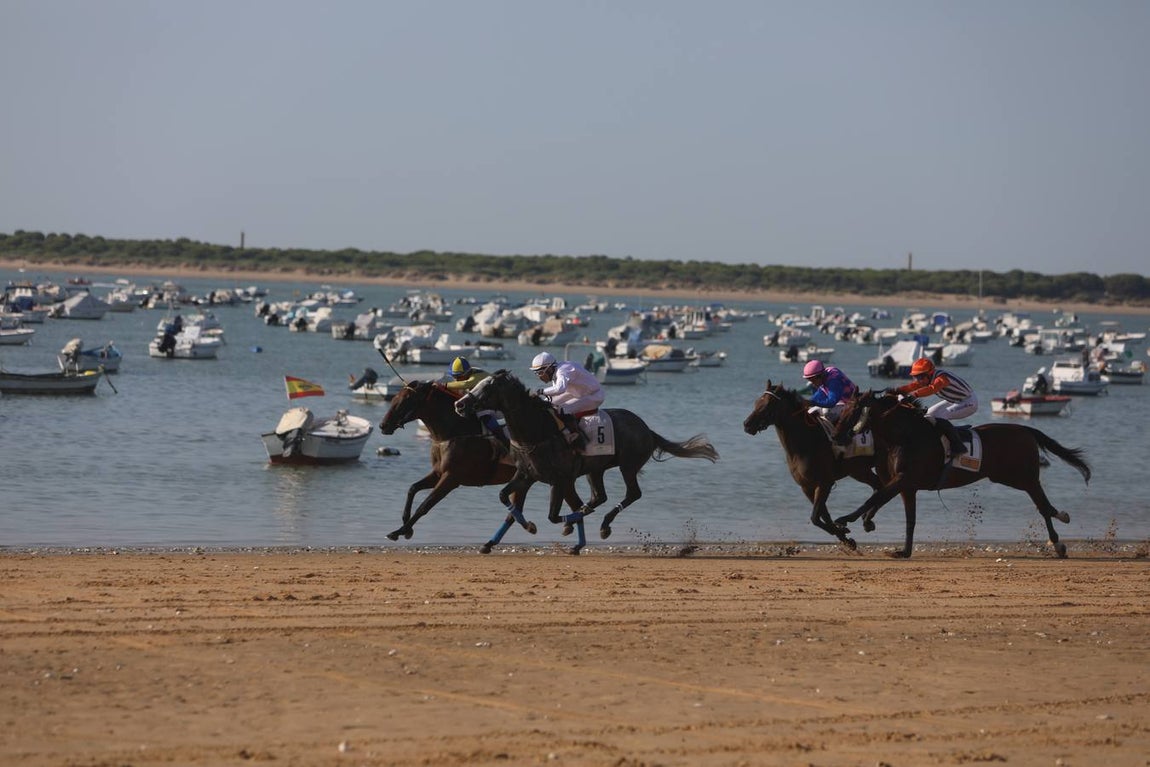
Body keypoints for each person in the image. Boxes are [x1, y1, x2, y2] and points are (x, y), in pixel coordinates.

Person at [892, 357, 977, 455]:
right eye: (916, 377)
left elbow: (932, 389)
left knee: (941, 417)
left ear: (930, 374)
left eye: (920, 377)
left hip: (968, 402)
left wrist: (912, 395)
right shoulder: (927, 378)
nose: (918, 380)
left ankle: (958, 446)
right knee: (929, 415)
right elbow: (912, 386)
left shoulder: (942, 378)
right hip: (953, 400)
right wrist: (894, 392)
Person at [530, 351, 605, 444]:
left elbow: (559, 389)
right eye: (536, 373)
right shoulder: (556, 371)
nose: (539, 376)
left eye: (540, 372)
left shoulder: (563, 370)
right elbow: (556, 391)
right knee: (545, 404)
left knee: (562, 409)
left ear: (549, 369)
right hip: (576, 393)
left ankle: (574, 435)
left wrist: (540, 391)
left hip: (594, 396)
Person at [443, 357, 504, 443]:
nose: (456, 380)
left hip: (495, 400)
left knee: (483, 415)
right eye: (454, 376)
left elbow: (465, 384)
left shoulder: (477, 376)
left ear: (467, 373)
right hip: (483, 399)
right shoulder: (468, 373)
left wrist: (444, 385)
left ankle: (502, 439)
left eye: (459, 376)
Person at [802, 359, 858, 424]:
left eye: (813, 381)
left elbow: (831, 402)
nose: (813, 384)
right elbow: (820, 394)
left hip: (851, 404)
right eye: (811, 381)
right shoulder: (825, 375)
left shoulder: (834, 381)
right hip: (840, 402)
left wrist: (812, 403)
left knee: (826, 412)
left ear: (820, 376)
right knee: (811, 411)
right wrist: (808, 402)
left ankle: (834, 433)